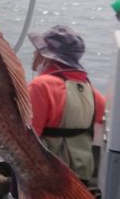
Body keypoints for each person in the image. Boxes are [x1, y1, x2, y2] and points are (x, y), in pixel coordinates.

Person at [27, 24, 105, 184]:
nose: (34, 52)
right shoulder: (94, 95)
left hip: (45, 182)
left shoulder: (40, 86)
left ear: (46, 56)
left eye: (38, 49)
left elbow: (26, 143)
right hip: (79, 183)